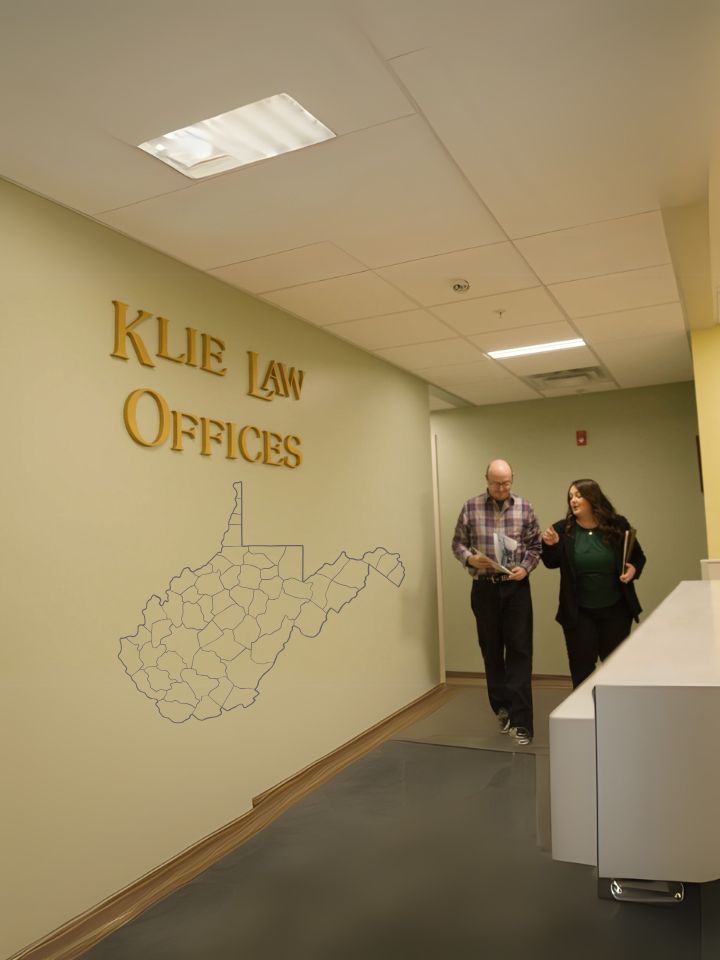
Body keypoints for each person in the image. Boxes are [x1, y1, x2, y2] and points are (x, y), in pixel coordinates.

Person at [451, 459, 541, 745]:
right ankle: (502, 708)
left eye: (507, 482)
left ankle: (523, 720)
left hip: (515, 589)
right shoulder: (471, 507)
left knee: (519, 652)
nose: (502, 488)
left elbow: (535, 546)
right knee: (491, 651)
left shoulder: (524, 507)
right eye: (496, 483)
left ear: (512, 479)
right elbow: (458, 543)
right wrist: (468, 558)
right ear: (486, 480)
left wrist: (525, 568)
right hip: (485, 588)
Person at [541, 478, 646, 688]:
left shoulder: (618, 524)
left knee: (616, 668)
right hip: (579, 613)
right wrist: (551, 546)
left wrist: (633, 569)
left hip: (616, 610)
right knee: (582, 671)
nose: (573, 500)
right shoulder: (563, 529)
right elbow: (550, 563)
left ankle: (616, 714)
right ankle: (585, 716)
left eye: (578, 495)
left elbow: (638, 557)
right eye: (570, 496)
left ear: (592, 498)